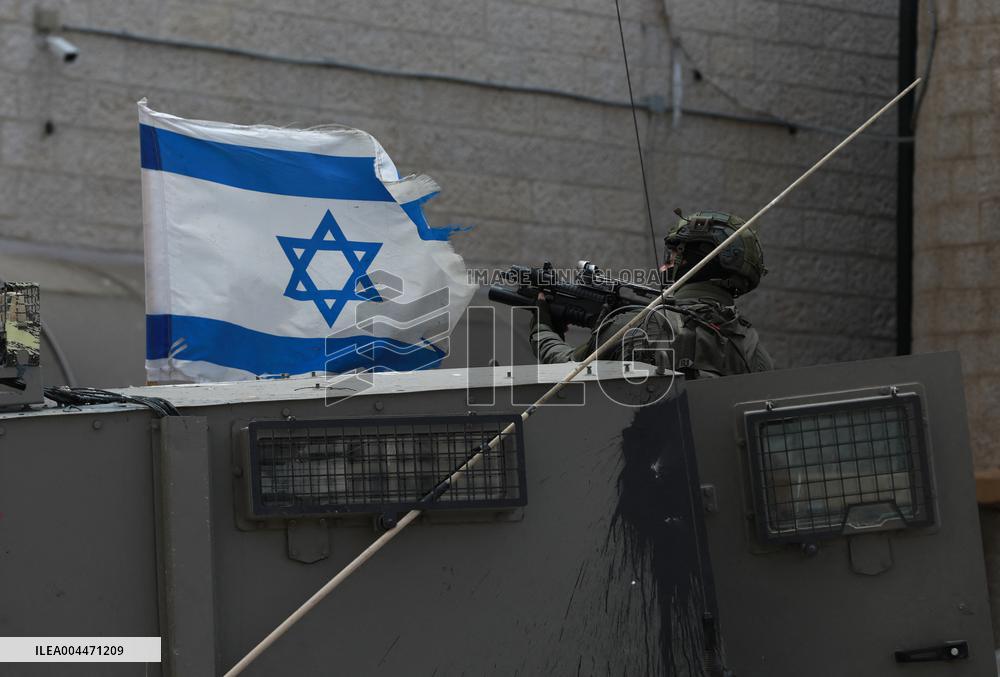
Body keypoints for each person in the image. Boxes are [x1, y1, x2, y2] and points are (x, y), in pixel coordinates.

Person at [529, 210, 774, 379]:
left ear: (694, 259)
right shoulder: (753, 349)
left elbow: (569, 370)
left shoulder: (636, 325)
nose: (666, 264)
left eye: (675, 254)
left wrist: (542, 331)